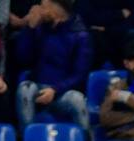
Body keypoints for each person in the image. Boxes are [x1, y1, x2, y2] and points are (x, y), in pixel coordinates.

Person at [14, 0, 90, 130]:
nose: (39, 9)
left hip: (62, 93)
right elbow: (23, 59)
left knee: (78, 100)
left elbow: (79, 74)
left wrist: (55, 90)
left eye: (43, 6)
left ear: (54, 9)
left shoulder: (80, 34)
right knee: (25, 89)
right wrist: (30, 29)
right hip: (38, 89)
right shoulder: (39, 28)